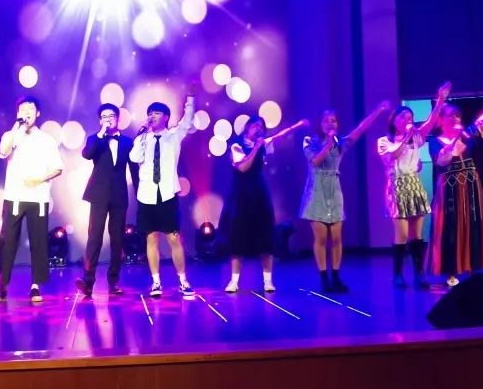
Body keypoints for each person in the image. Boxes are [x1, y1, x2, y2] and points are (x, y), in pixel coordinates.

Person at [300, 101, 390, 292]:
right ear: (320, 124)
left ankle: (336, 276)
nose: (330, 123)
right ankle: (324, 277)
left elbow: (361, 129)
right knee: (321, 238)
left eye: (333, 120)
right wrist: (328, 143)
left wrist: (378, 111)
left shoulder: (341, 143)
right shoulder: (310, 141)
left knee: (336, 237)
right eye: (326, 121)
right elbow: (315, 161)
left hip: (334, 190)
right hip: (316, 191)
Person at [428, 83, 483, 286]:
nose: (456, 119)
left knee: (472, 223)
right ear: (441, 120)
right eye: (451, 116)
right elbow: (443, 161)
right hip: (449, 189)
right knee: (451, 227)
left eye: (458, 116)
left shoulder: (466, 135)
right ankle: (450, 271)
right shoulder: (436, 142)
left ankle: (472, 267)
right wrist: (457, 137)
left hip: (470, 186)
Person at [218, 117, 307, 293]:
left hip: (259, 192)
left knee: (265, 235)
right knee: (237, 237)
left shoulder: (262, 143)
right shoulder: (236, 145)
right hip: (240, 194)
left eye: (261, 126)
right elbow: (243, 167)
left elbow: (280, 136)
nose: (259, 129)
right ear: (247, 128)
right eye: (255, 125)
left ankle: (268, 281)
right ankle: (234, 281)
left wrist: (297, 125)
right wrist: (256, 148)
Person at [376, 83, 451, 289]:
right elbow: (392, 157)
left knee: (417, 234)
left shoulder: (417, 137)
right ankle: (398, 274)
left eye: (410, 118)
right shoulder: (384, 141)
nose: (407, 120)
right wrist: (407, 137)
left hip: (414, 184)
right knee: (401, 233)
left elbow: (430, 122)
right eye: (403, 117)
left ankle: (419, 273)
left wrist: (440, 100)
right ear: (394, 120)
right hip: (396, 185)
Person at [0, 96, 64, 303]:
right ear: (17, 113)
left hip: (38, 197)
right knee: (8, 241)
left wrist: (38, 179)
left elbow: (58, 168)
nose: (27, 112)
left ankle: (35, 286)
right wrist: (16, 128)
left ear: (38, 113)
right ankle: (2, 286)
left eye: (31, 108)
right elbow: (2, 152)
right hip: (14, 196)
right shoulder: (12, 135)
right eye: (23, 108)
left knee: (38, 241)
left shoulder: (46, 140)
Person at [129, 95, 196, 297]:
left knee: (174, 238)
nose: (152, 116)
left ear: (166, 117)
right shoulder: (143, 138)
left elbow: (187, 121)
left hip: (167, 194)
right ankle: (156, 282)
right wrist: (141, 135)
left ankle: (183, 281)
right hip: (147, 195)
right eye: (150, 113)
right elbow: (134, 157)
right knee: (151, 239)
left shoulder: (174, 135)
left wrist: (190, 100)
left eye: (157, 113)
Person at [76, 104, 138, 298]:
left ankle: (114, 280)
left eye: (111, 116)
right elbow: (87, 154)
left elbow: (134, 170)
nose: (108, 119)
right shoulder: (95, 139)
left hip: (119, 195)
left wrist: (140, 194)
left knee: (117, 239)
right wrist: (101, 134)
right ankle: (88, 280)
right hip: (98, 195)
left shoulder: (127, 142)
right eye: (104, 116)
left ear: (118, 118)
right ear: (100, 120)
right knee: (94, 237)